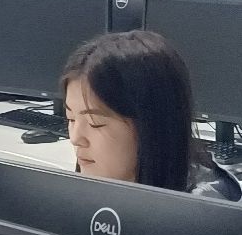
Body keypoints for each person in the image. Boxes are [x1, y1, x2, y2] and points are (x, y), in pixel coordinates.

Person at [61, 29, 240, 200]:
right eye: (71, 119)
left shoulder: (199, 211)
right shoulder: (99, 190)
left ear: (152, 126)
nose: (75, 138)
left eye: (95, 122)